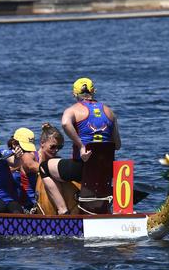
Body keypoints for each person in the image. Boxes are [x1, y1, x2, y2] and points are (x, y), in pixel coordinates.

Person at [39, 78, 121, 214]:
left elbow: (65, 123)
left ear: (74, 94)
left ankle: (62, 211)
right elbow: (117, 145)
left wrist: (81, 145)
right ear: (94, 91)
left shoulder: (73, 110)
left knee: (44, 168)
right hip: (106, 170)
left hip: (82, 168)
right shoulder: (110, 113)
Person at [8, 124, 64, 212]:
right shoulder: (29, 156)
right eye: (53, 147)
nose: (56, 150)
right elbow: (29, 165)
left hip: (48, 205)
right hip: (30, 208)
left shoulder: (56, 159)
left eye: (59, 147)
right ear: (42, 143)